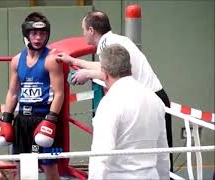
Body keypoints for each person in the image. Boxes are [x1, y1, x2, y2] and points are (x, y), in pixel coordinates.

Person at [56, 10, 173, 171]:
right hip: (150, 99)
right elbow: (105, 68)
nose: (82, 33)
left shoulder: (107, 44)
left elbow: (112, 73)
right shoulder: (116, 40)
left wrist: (87, 74)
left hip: (148, 99)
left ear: (91, 30)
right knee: (156, 150)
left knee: (148, 151)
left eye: (83, 29)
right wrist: (74, 61)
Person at [0, 12, 64, 180]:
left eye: (42, 33)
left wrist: (51, 120)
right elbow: (13, 92)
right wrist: (6, 119)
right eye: (34, 33)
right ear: (27, 34)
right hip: (22, 121)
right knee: (22, 170)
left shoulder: (51, 60)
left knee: (50, 169)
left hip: (44, 118)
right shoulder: (17, 60)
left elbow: (59, 93)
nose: (38, 37)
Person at [88, 44, 169, 179]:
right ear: (129, 67)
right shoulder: (155, 100)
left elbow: (101, 155)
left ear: (104, 72)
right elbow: (163, 153)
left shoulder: (110, 103)